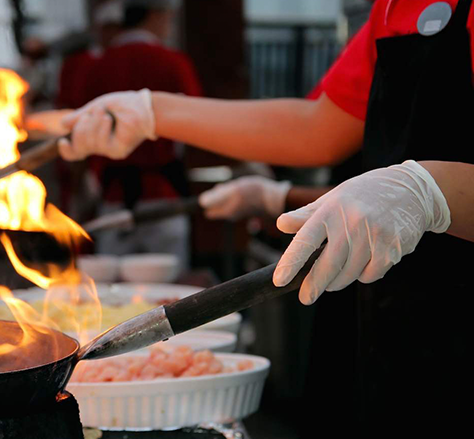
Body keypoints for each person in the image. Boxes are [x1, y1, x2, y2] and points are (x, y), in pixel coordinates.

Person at [57, 0, 474, 435]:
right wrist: (153, 112)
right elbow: (320, 127)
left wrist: (432, 189)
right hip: (397, 317)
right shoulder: (393, 8)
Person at [77, 0, 202, 266]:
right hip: (164, 198)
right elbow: (198, 125)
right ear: (155, 15)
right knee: (171, 292)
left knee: (110, 293)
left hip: (113, 196)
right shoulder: (174, 63)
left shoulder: (98, 66)